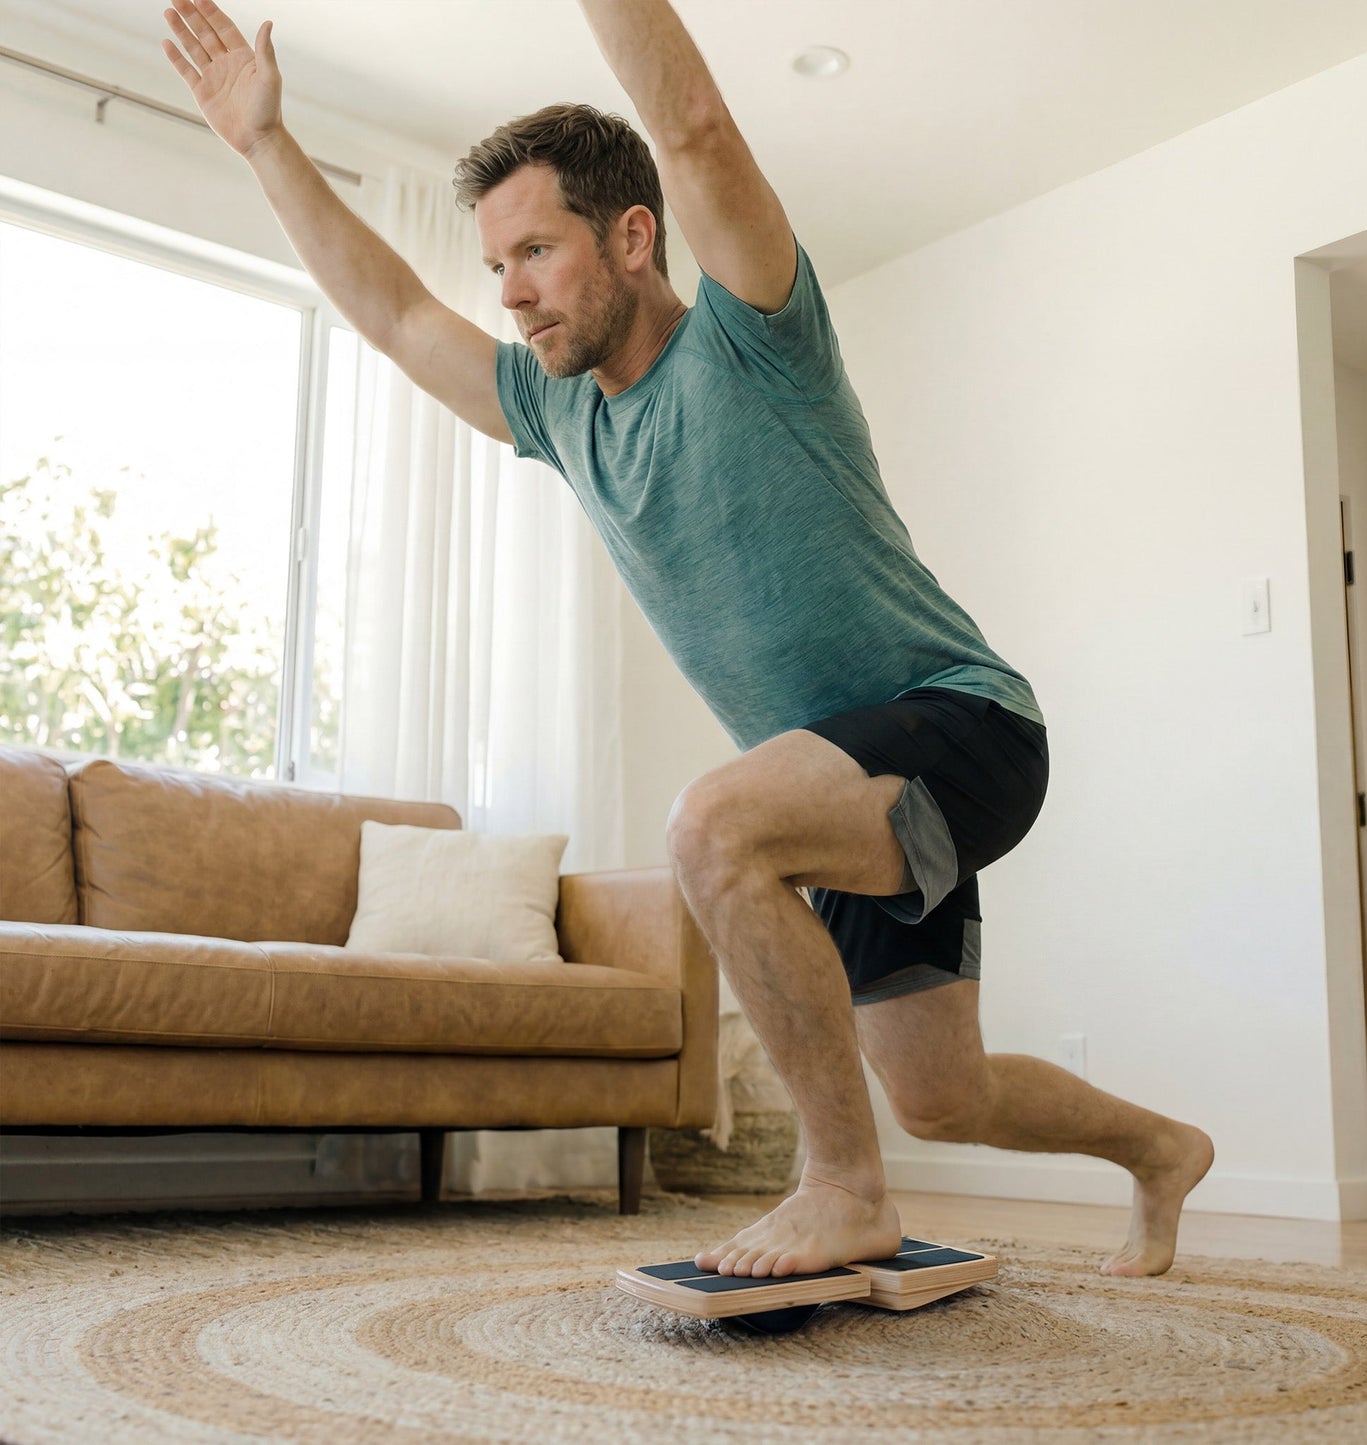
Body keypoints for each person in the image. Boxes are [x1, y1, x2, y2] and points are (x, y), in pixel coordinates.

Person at [162, 0, 1214, 1281]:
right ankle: (1160, 1148)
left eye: (536, 251)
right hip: (851, 782)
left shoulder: (753, 333)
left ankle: (839, 1189)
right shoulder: (555, 417)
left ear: (632, 234)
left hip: (964, 723)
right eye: (496, 266)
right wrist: (267, 145)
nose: (510, 294)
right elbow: (389, 315)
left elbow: (696, 126)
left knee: (709, 826)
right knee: (941, 1092)